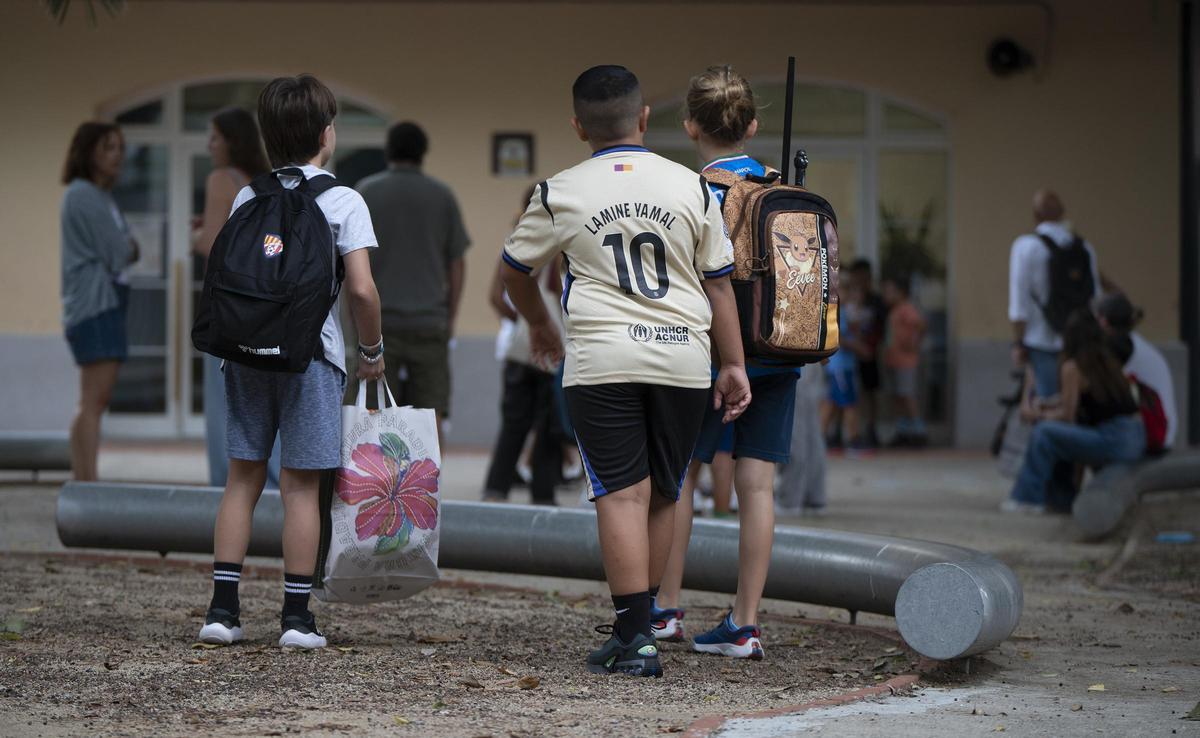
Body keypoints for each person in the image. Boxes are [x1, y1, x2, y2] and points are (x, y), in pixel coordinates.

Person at [500, 65, 750, 678]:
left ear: (578, 126)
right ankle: (643, 630)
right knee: (664, 491)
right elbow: (719, 289)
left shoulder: (560, 190)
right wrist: (735, 364)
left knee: (619, 493)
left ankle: (633, 635)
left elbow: (514, 271)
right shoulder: (691, 187)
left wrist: (538, 324)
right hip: (683, 357)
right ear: (644, 119)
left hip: (603, 361)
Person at [198, 75, 385, 650]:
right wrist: (372, 353)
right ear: (326, 136)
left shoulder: (248, 197)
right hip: (312, 358)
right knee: (302, 488)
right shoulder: (344, 200)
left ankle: (223, 613)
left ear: (267, 137)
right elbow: (360, 290)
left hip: (245, 356)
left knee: (241, 477)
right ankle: (296, 619)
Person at [654, 66, 801, 660]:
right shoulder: (779, 187)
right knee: (757, 485)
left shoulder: (694, 192)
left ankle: (664, 608)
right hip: (780, 355)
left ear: (691, 125)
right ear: (753, 125)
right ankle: (745, 622)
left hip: (713, 359)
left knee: (683, 475)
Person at [356, 122, 470, 439]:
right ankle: (428, 486)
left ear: (389, 150)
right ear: (423, 152)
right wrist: (451, 314)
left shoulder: (366, 191)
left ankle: (377, 485)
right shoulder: (442, 196)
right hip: (430, 321)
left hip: (378, 326)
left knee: (374, 412)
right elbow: (457, 262)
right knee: (430, 412)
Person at [190, 107, 281, 489]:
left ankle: (228, 485)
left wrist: (195, 236)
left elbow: (213, 245)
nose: (209, 145)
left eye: (214, 137)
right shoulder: (263, 182)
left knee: (225, 402)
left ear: (232, 140)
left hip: (227, 310)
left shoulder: (221, 179)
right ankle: (274, 480)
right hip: (262, 310)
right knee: (261, 401)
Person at [1004, 310, 1145, 513]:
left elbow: (1067, 415)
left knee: (1044, 433)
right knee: (1057, 435)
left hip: (1113, 439)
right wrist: (1048, 405)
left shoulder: (1073, 366)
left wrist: (1037, 415)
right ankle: (1060, 498)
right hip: (1136, 436)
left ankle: (1027, 498)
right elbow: (1081, 401)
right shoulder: (1105, 359)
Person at [60, 121, 138, 481]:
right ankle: (86, 483)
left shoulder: (101, 195)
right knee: (93, 401)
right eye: (109, 147)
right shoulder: (83, 194)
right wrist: (128, 248)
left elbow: (122, 249)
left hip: (104, 303)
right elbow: (121, 250)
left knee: (93, 401)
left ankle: (84, 479)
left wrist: (127, 248)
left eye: (120, 147)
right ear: (88, 151)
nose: (118, 155)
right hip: (95, 306)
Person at [481, 186, 564, 505]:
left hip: (518, 353)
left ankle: (496, 488)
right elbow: (558, 293)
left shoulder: (514, 244)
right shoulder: (559, 247)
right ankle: (543, 495)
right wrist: (541, 323)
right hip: (552, 351)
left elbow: (494, 296)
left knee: (513, 424)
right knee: (548, 425)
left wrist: (521, 321)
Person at [1008, 189, 1101, 398]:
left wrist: (1018, 342)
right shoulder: (1084, 247)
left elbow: (1018, 304)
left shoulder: (1025, 246)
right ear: (1062, 214)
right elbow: (1095, 297)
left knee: (1047, 402)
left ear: (1035, 215)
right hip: (1080, 341)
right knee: (1076, 403)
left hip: (1041, 339)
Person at [1097, 292, 1178, 450]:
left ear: (1104, 322)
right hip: (1162, 429)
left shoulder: (1121, 346)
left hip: (1155, 433)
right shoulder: (1133, 342)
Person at [882, 274, 928, 447]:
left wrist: (912, 343)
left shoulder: (906, 309)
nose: (886, 295)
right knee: (899, 397)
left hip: (905, 361)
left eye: (890, 291)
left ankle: (918, 431)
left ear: (901, 292)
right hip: (894, 360)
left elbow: (921, 325)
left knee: (907, 396)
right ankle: (904, 430)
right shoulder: (895, 310)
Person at [776, 367, 827, 516]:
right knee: (810, 427)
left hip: (796, 353)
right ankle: (813, 496)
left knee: (794, 424)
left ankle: (790, 498)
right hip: (811, 355)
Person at [848, 259, 886, 447]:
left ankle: (870, 429)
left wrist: (871, 347)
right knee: (850, 395)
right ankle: (852, 432)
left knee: (870, 392)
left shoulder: (876, 301)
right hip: (850, 354)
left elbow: (881, 328)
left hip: (869, 352)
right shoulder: (848, 301)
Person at [822, 276, 861, 450]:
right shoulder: (837, 311)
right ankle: (853, 439)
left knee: (833, 401)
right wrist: (860, 348)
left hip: (843, 365)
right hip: (840, 366)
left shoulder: (845, 311)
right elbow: (840, 338)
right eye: (849, 291)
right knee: (848, 402)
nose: (854, 295)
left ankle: (822, 436)